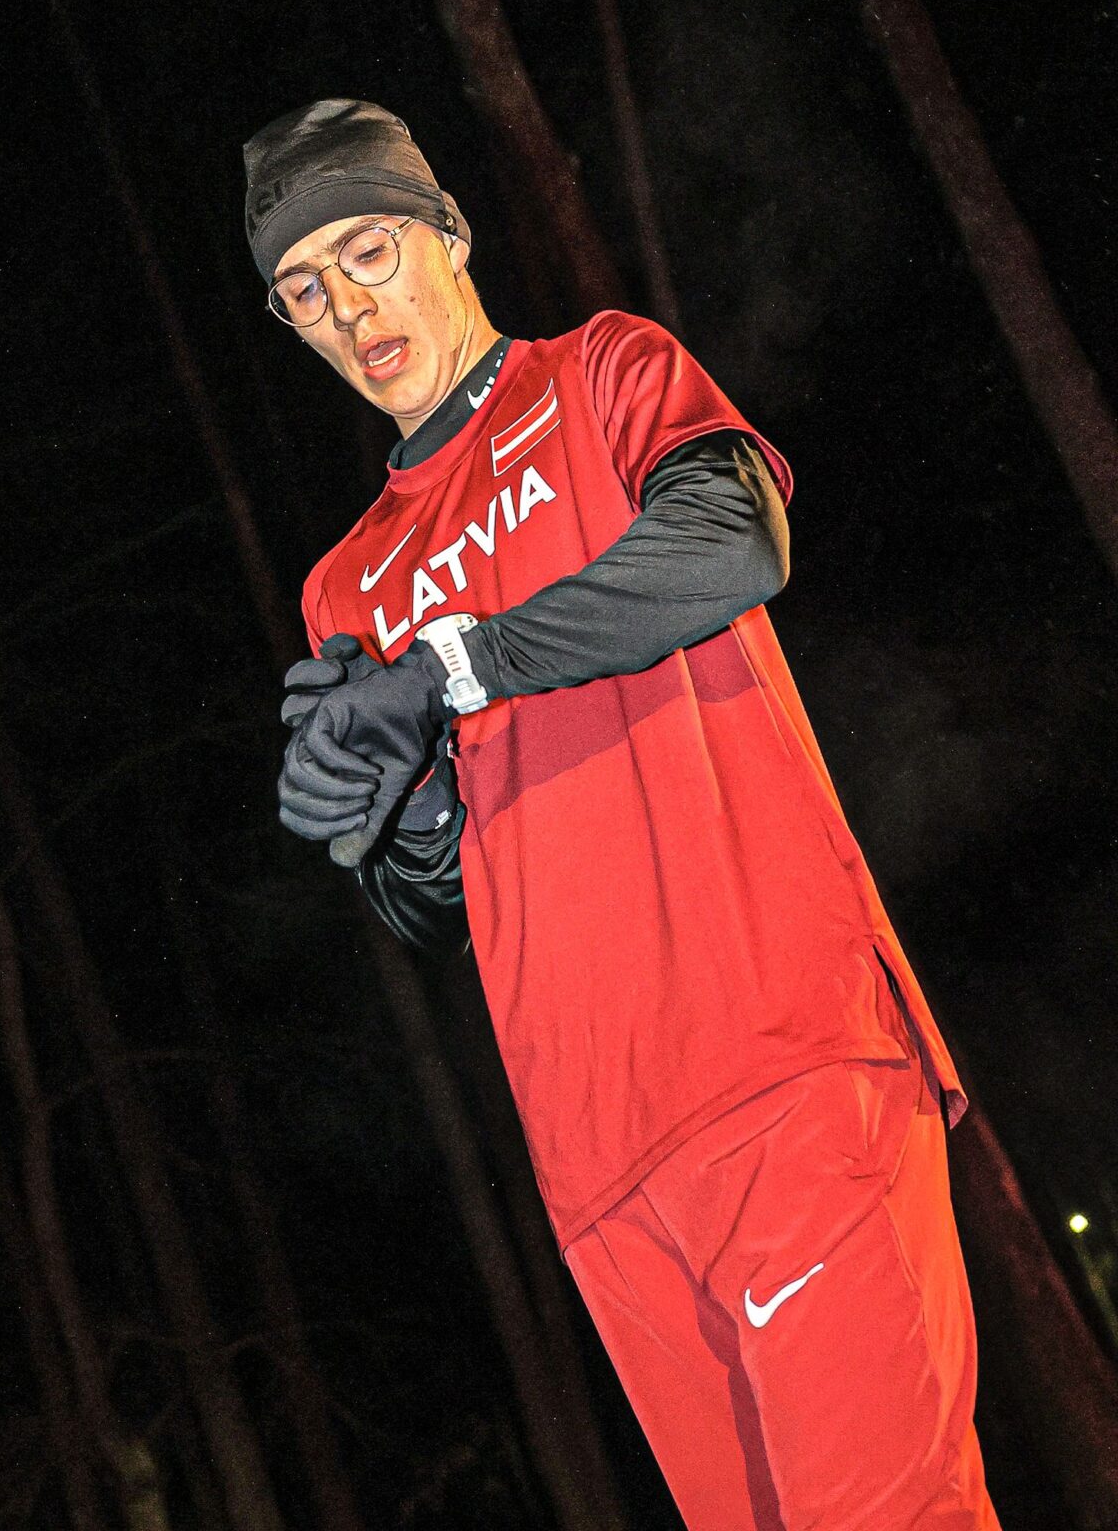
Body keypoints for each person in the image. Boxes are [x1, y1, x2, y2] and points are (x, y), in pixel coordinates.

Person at [245, 96, 1001, 1529]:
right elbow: (441, 902)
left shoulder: (599, 371)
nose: (347, 306)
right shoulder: (348, 584)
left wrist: (453, 671)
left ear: (448, 234)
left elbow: (732, 542)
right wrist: (393, 810)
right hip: (598, 1166)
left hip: (776, 1062)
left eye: (366, 251)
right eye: (303, 290)